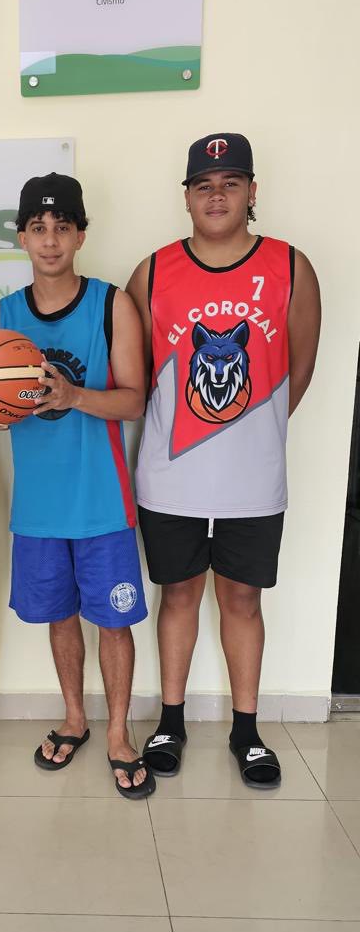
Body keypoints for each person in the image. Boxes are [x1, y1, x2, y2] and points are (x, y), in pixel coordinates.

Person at [127, 133, 321, 787]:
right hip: (169, 477)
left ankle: (246, 731)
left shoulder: (290, 266)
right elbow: (138, 375)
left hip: (252, 480)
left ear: (252, 191)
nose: (217, 196)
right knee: (178, 594)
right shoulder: (153, 272)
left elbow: (297, 371)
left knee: (242, 599)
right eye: (204, 185)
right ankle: (170, 722)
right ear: (186, 196)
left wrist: (248, 431)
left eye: (231, 183)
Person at [0, 173, 153, 798]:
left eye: (62, 227)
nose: (50, 240)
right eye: (38, 228)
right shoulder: (1, 317)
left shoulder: (111, 304)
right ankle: (75, 719)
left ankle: (119, 734)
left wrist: (73, 395)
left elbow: (134, 401)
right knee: (58, 618)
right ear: (22, 237)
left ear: (81, 235)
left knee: (112, 621)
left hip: (102, 502)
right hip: (38, 508)